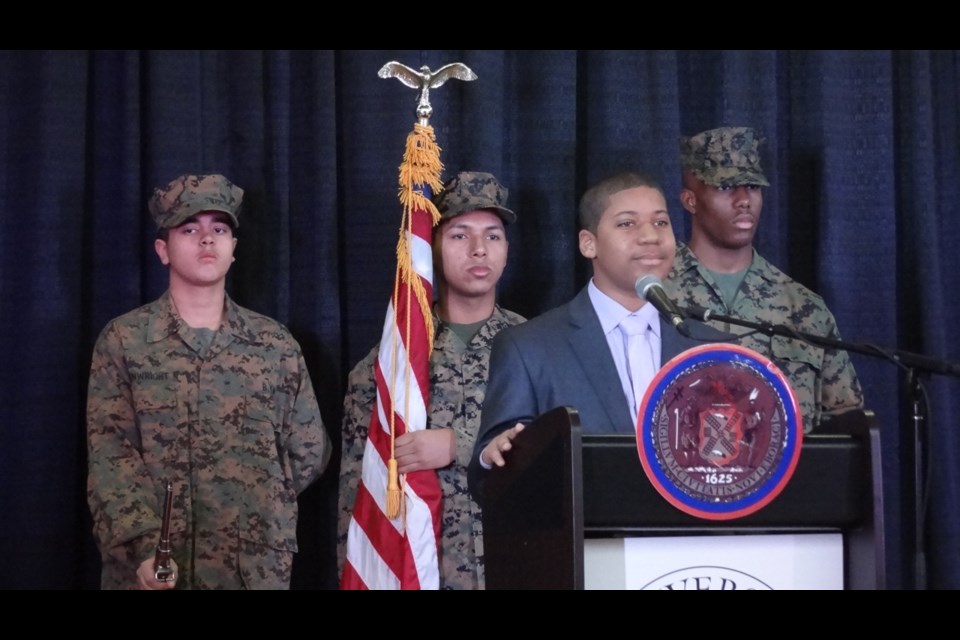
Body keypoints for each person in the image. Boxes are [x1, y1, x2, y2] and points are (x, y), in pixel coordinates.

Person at [86, 173, 331, 590]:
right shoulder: (125, 341)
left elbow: (308, 451)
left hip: (250, 568)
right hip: (154, 569)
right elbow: (111, 458)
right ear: (163, 249)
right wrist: (144, 548)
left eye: (219, 229)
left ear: (234, 248)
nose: (206, 239)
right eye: (189, 228)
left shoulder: (274, 345)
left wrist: (254, 498)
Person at [469, 171, 729, 487]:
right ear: (588, 244)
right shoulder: (529, 347)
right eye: (627, 224)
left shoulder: (713, 349)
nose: (650, 236)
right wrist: (494, 457)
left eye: (661, 222)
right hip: (586, 533)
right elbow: (488, 478)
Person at [337, 171, 525, 590]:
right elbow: (359, 498)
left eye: (493, 236)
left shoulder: (539, 350)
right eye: (460, 235)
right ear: (432, 247)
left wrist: (459, 444)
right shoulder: (389, 366)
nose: (479, 250)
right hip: (421, 573)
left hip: (517, 564)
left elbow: (560, 451)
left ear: (507, 250)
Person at [666, 126, 864, 432]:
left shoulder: (804, 308)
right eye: (725, 187)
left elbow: (847, 428)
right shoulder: (655, 296)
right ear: (690, 200)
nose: (744, 200)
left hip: (792, 478)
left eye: (753, 187)